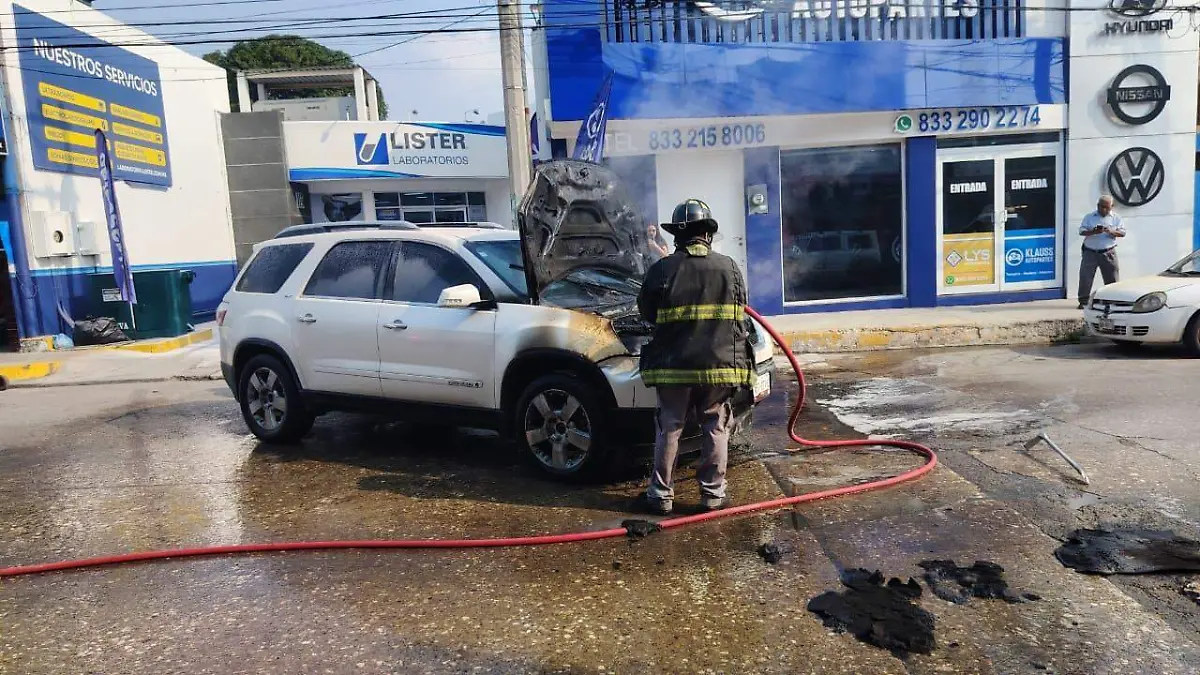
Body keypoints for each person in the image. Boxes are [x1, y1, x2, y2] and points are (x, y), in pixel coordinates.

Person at [633, 199, 753, 516]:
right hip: (718, 366)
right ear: (708, 235)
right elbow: (740, 311)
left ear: (677, 238)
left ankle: (660, 496)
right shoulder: (729, 267)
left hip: (674, 367)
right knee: (715, 424)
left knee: (670, 426)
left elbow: (646, 312)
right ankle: (712, 495)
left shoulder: (662, 269)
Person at [1077, 195, 1125, 309]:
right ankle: (1083, 301)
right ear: (1098, 205)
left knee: (1112, 278)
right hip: (1090, 252)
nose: (1103, 210)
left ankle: (1112, 301)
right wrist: (1093, 231)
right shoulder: (1090, 217)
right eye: (1101, 207)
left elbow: (1122, 233)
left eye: (1106, 207)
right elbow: (1081, 231)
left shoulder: (1116, 218)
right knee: (1085, 277)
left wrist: (1111, 231)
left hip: (1108, 252)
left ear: (1111, 207)